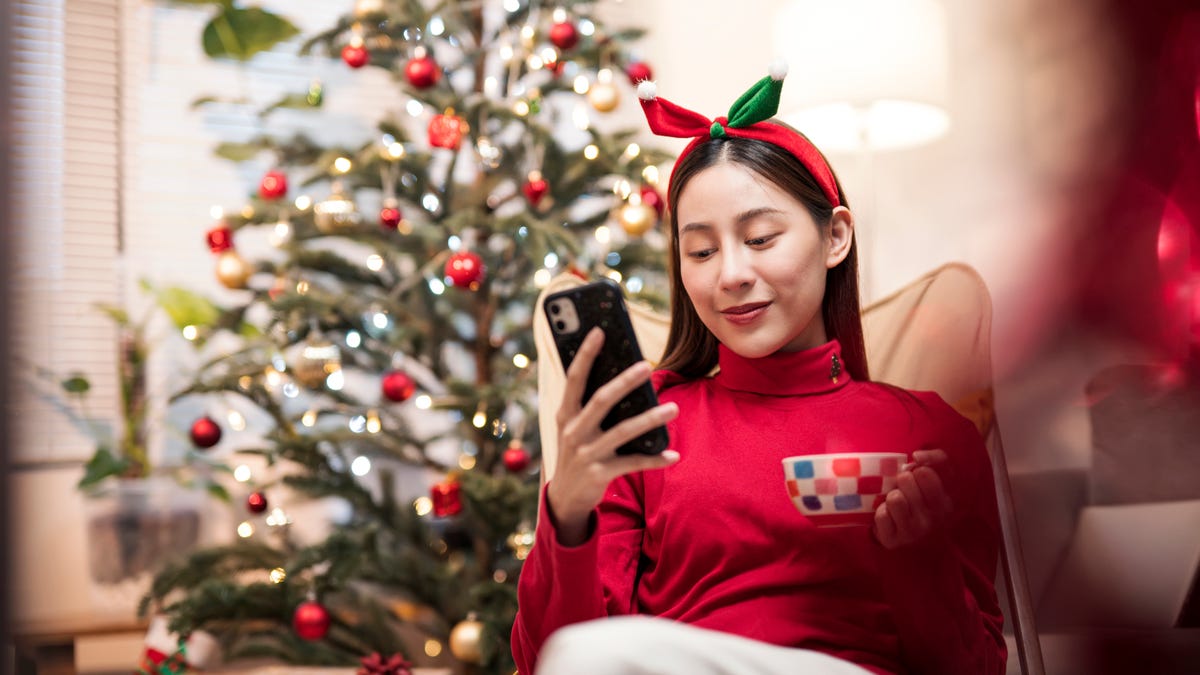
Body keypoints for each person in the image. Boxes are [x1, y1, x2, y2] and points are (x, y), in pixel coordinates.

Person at [512, 64, 1006, 675]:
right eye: (701, 251)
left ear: (836, 237)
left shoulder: (930, 436)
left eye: (762, 238)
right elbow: (554, 663)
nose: (730, 275)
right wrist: (569, 513)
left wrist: (919, 560)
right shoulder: (647, 428)